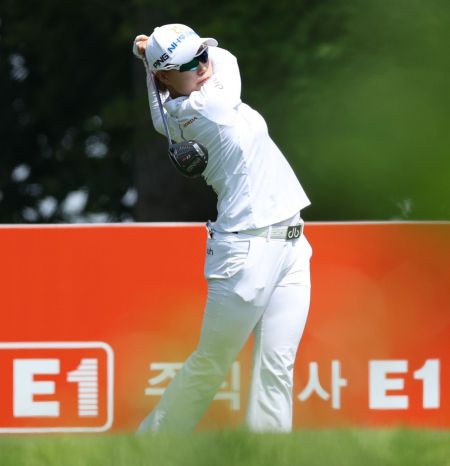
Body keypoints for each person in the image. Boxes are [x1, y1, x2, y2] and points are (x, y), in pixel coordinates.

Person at [133, 24, 312, 433]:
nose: (202, 65)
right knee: (211, 363)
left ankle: (268, 457)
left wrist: (148, 60)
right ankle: (148, 447)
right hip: (245, 253)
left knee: (276, 365)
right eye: (190, 63)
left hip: (291, 244)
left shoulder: (169, 118)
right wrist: (147, 58)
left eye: (202, 55)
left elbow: (162, 96)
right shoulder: (212, 104)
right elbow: (226, 57)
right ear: (166, 76)